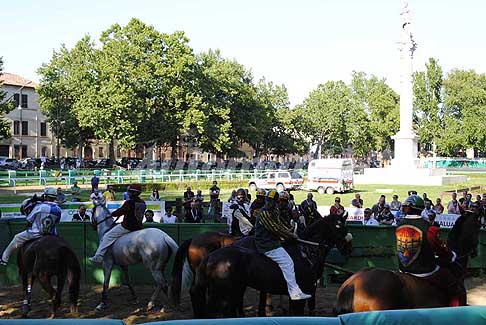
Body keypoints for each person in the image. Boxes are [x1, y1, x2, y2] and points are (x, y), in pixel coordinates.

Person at [396, 195, 466, 307]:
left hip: (403, 269)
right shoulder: (428, 227)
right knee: (453, 283)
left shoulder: (399, 225)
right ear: (421, 209)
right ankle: (455, 309)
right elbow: (439, 249)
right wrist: (451, 255)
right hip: (424, 270)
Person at [254, 189, 311, 301]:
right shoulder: (265, 212)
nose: (269, 202)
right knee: (288, 262)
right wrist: (290, 235)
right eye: (268, 200)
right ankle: (294, 293)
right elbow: (275, 229)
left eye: (271, 200)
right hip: (266, 244)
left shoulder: (274, 210)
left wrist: (289, 231)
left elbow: (279, 224)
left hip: (273, 241)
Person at [1, 188, 62, 265]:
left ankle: (4, 259)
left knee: (17, 238)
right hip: (51, 235)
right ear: (54, 197)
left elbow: (30, 219)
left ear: (46, 196)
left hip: (35, 233)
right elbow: (57, 222)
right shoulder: (58, 209)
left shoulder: (40, 206)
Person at [89, 184, 146, 264]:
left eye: (129, 192)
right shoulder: (143, 202)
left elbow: (121, 211)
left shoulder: (129, 202)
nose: (128, 193)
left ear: (134, 193)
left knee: (107, 236)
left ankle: (99, 255)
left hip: (127, 226)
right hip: (139, 227)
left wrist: (112, 214)